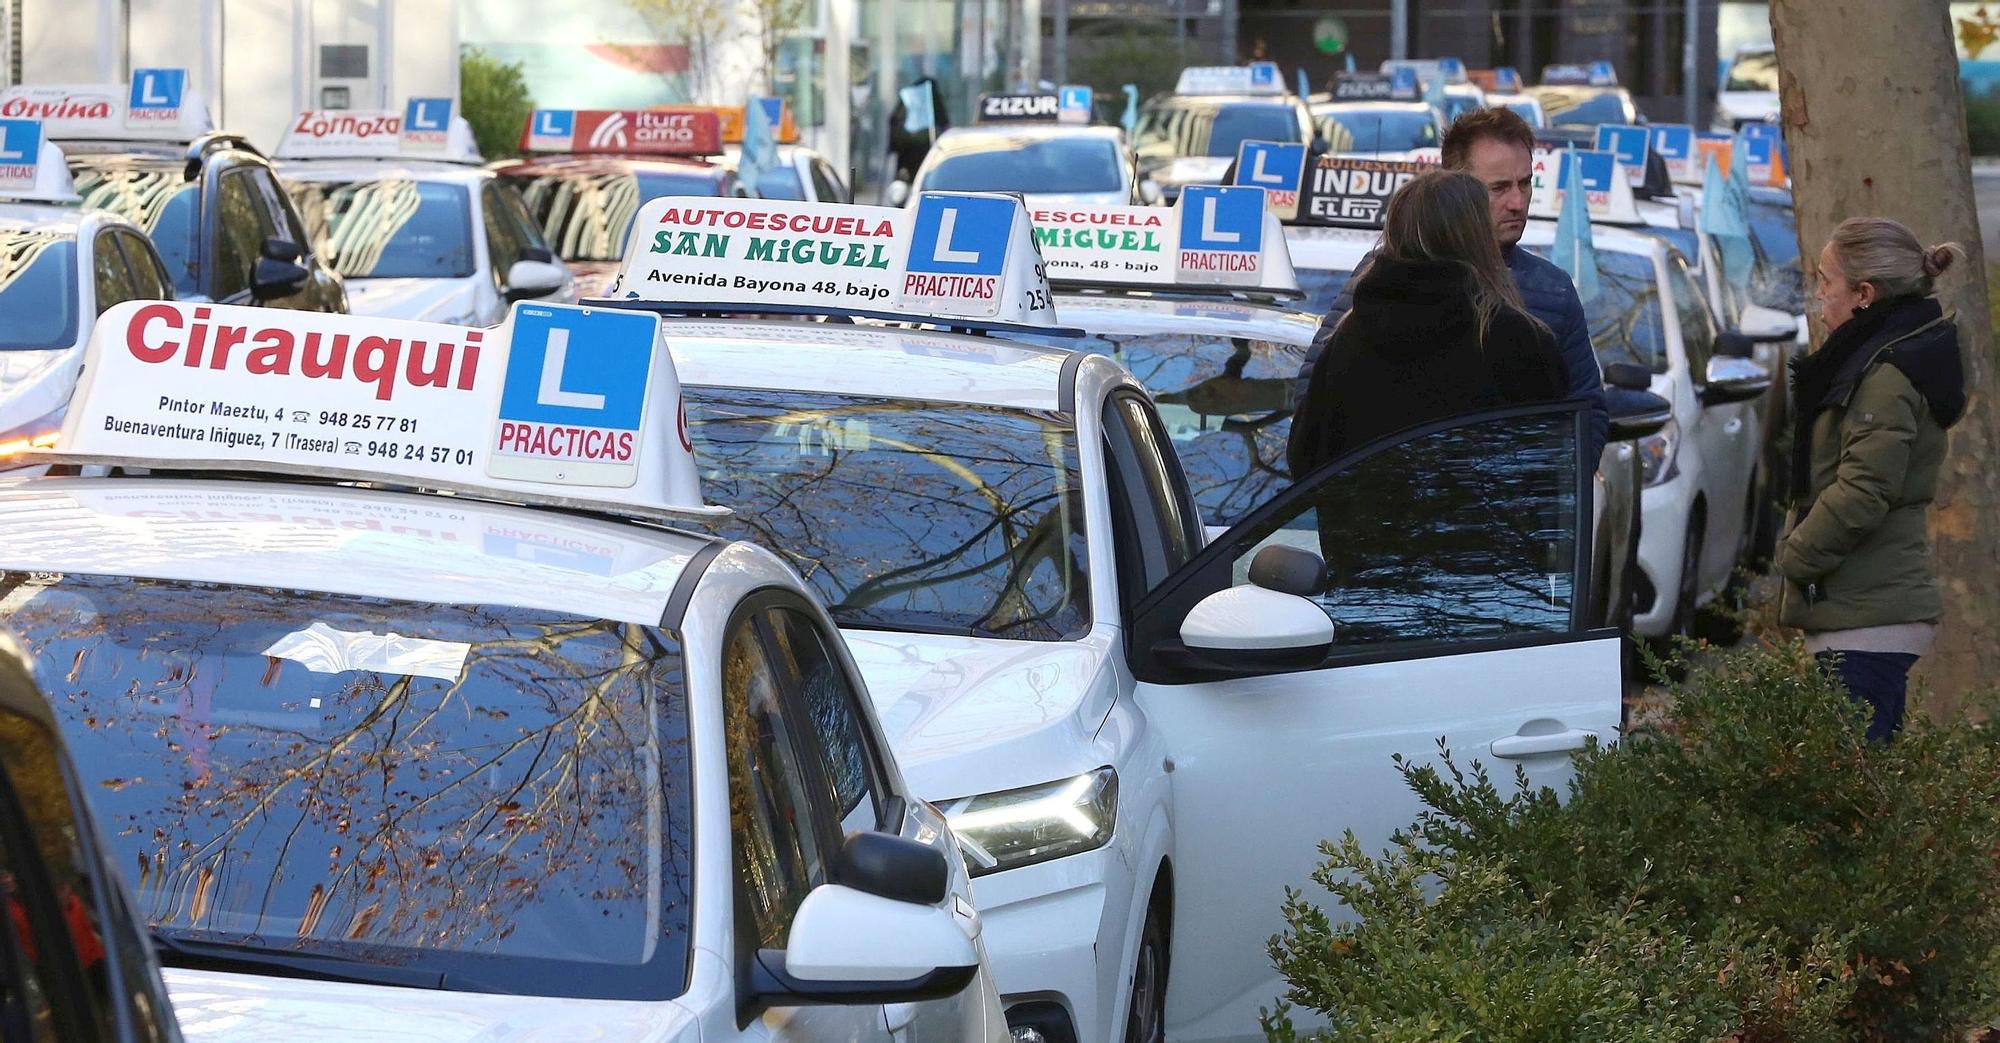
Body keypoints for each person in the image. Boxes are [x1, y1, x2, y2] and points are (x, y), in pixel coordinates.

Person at [1301, 107, 1608, 461]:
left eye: (1525, 183)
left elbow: (1585, 418)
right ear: (1454, 186)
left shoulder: (1552, 290)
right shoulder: (1379, 281)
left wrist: (1543, 492)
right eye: (1499, 188)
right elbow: (1315, 403)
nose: (1517, 202)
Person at [1779, 218, 1965, 742]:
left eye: (1825, 281)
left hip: (1869, 618)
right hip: (1861, 611)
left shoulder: (1886, 373)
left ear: (1863, 294)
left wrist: (1795, 555)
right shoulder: (1878, 358)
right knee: (1857, 792)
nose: (1817, 295)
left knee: (1854, 802)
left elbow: (1865, 490)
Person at [1287, 170, 1566, 478]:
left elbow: (1306, 463)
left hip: (1369, 525)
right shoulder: (1518, 341)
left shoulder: (1347, 341)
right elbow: (1550, 473)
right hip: (1478, 525)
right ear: (1477, 240)